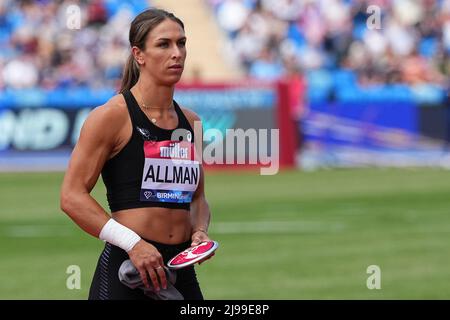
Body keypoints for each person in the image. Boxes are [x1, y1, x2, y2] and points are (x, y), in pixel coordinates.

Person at [60, 8, 214, 300]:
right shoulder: (111, 116)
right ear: (138, 55)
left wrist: (200, 231)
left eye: (181, 43)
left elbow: (197, 199)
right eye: (164, 44)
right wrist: (133, 244)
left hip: (179, 271)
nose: (177, 53)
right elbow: (71, 197)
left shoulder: (191, 122)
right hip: (128, 270)